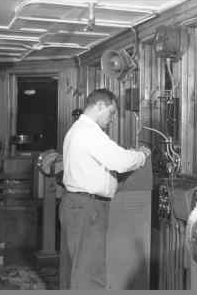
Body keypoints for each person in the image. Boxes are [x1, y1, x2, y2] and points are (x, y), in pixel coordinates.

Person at [59, 89, 151, 289]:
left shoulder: (77, 129)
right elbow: (121, 161)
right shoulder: (89, 131)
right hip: (87, 208)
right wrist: (142, 155)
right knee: (90, 272)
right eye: (111, 113)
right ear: (99, 106)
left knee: (77, 268)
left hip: (78, 205)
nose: (112, 119)